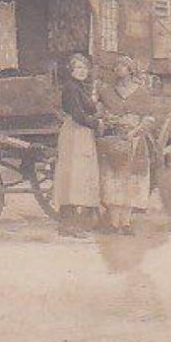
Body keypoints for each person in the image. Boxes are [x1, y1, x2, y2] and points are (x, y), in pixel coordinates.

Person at [97, 54, 156, 234]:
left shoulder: (141, 92)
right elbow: (99, 113)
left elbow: (149, 117)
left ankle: (127, 222)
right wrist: (106, 121)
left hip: (135, 140)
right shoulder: (107, 92)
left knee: (132, 180)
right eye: (116, 67)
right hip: (114, 139)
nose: (119, 69)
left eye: (123, 66)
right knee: (114, 179)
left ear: (130, 70)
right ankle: (114, 223)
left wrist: (136, 130)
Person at [53, 52, 102, 238]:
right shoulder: (71, 88)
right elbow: (78, 115)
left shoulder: (80, 87)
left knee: (78, 177)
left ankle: (71, 224)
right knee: (73, 176)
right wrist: (96, 123)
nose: (82, 71)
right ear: (71, 70)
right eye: (78, 68)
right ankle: (68, 225)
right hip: (75, 133)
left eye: (85, 68)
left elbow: (88, 108)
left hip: (81, 133)